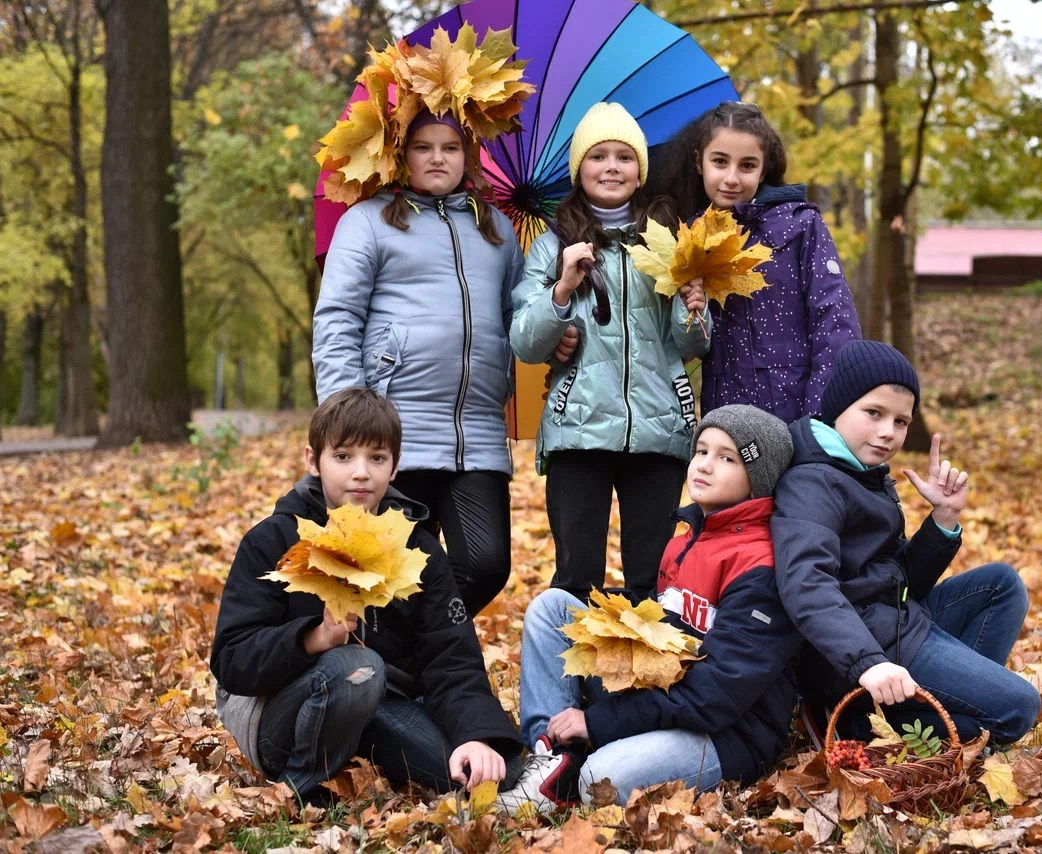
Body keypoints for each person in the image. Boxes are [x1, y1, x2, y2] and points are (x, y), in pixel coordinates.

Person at [210, 388, 522, 804]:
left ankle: (361, 755)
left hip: (378, 704)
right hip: (281, 716)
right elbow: (231, 658)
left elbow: (451, 656)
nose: (361, 473)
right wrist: (313, 638)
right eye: (343, 456)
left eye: (377, 458)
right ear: (313, 460)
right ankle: (299, 786)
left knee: (493, 772)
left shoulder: (418, 549)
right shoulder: (274, 539)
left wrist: (476, 736)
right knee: (359, 669)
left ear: (395, 467)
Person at [495, 404, 803, 812]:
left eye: (727, 458)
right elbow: (662, 622)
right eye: (702, 451)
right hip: (665, 695)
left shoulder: (762, 566)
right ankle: (551, 758)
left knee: (600, 779)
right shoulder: (685, 539)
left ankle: (577, 768)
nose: (704, 465)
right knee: (554, 608)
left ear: (758, 479)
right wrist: (609, 617)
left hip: (727, 733)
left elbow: (716, 695)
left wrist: (598, 723)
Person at [312, 43, 529, 617]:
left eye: (450, 147)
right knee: (389, 568)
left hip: (477, 432)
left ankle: (417, 653)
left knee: (485, 564)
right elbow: (337, 319)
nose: (437, 158)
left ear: (468, 154)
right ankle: (396, 663)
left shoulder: (497, 231)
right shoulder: (368, 223)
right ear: (400, 153)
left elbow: (519, 316)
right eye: (423, 147)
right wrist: (346, 419)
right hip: (391, 432)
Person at [770, 340, 1041, 747]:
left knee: (1001, 585)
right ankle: (859, 723)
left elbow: (900, 580)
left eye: (901, 421)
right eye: (874, 413)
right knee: (1018, 707)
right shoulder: (813, 483)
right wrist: (868, 664)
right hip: (859, 651)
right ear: (838, 407)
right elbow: (806, 584)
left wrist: (943, 520)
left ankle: (945, 709)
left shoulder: (861, 471)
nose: (887, 432)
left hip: (895, 623)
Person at [510, 102, 710, 602]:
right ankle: (572, 656)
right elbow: (526, 344)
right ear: (580, 169)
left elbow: (691, 346)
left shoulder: (668, 241)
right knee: (577, 580)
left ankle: (646, 656)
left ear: (640, 170)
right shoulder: (553, 245)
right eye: (598, 156)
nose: (612, 167)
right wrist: (561, 289)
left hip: (659, 426)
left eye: (624, 157)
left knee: (652, 580)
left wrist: (693, 308)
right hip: (577, 430)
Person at [655, 101, 861, 423]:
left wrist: (818, 422)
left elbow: (834, 324)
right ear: (699, 162)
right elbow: (686, 347)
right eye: (720, 162)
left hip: (795, 415)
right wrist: (692, 310)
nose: (731, 178)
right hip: (727, 420)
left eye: (747, 165)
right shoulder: (690, 239)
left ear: (763, 170)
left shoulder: (800, 225)